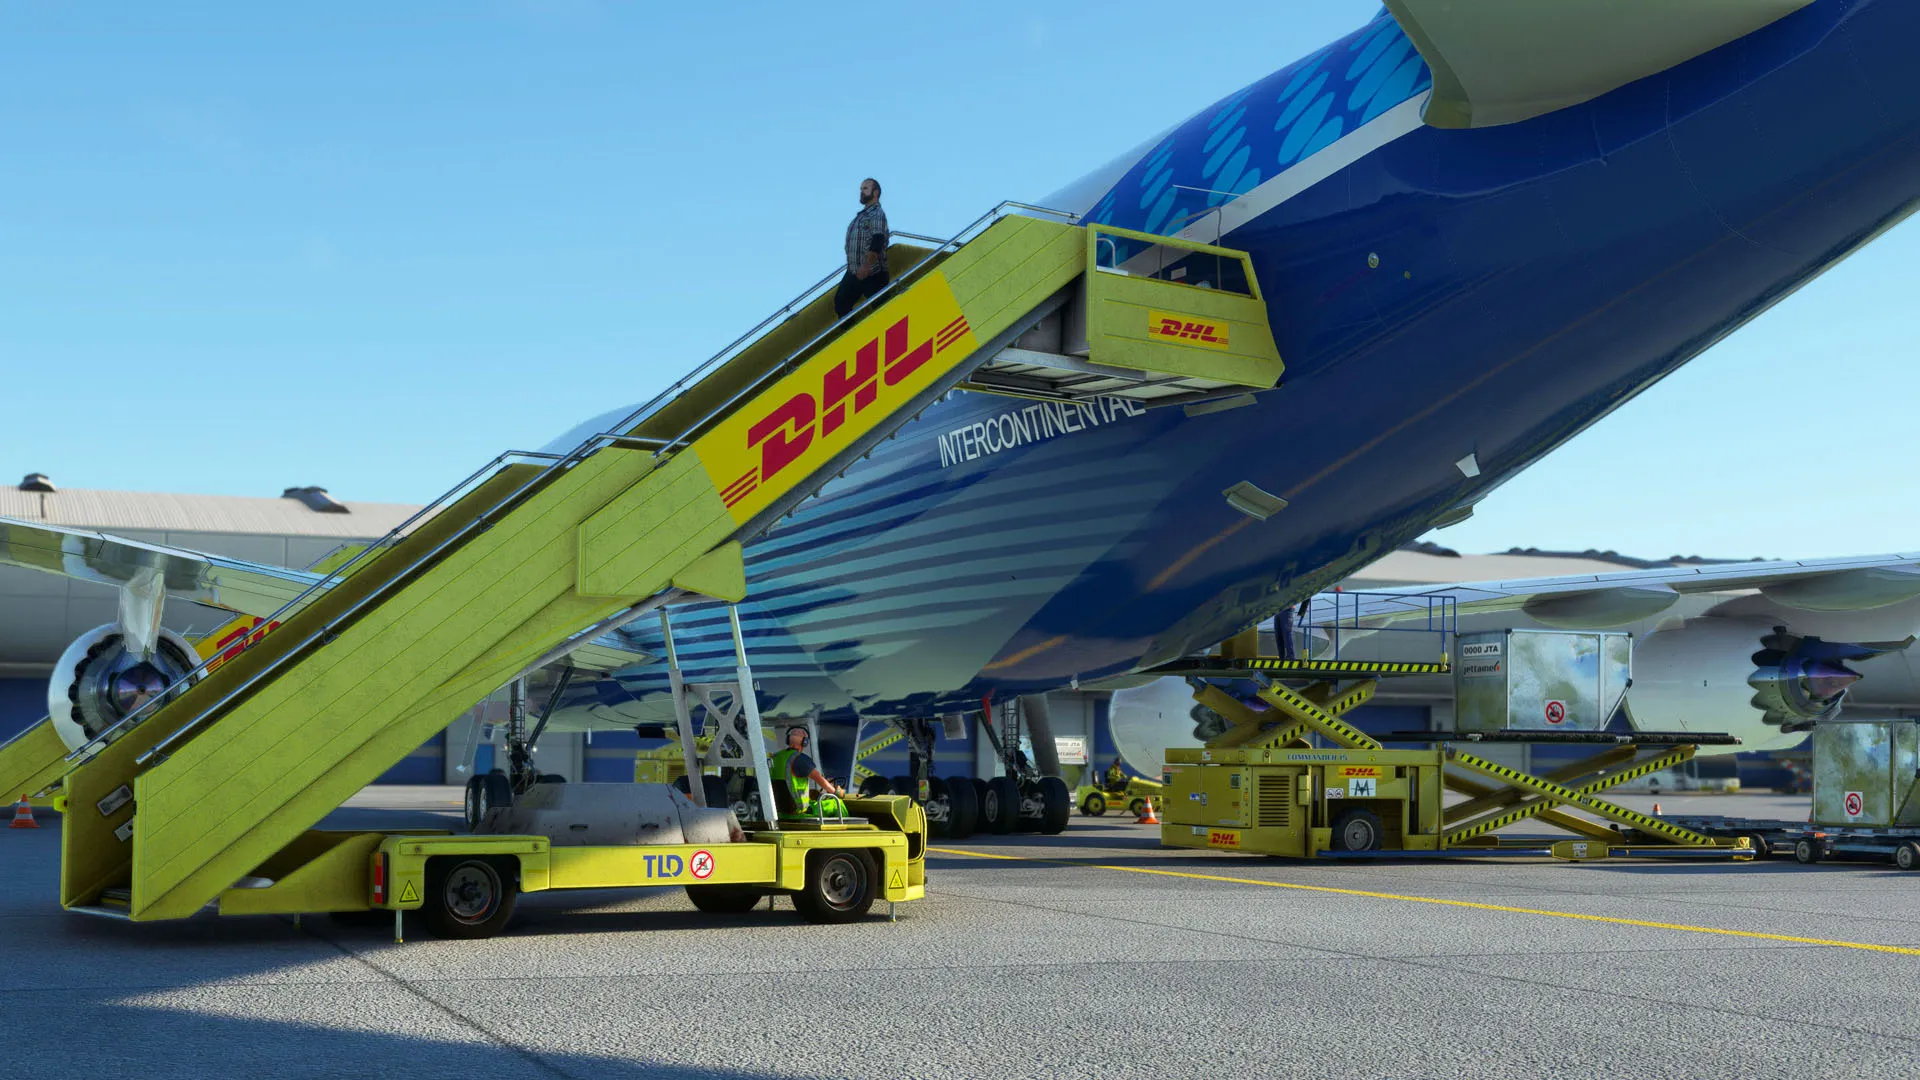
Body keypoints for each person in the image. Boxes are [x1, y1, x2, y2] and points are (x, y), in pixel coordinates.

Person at [833, 178, 890, 317]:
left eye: (865, 188)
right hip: (854, 271)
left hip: (872, 272)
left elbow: (878, 240)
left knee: (880, 305)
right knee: (841, 302)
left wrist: (867, 265)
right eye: (861, 189)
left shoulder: (877, 213)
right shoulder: (861, 215)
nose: (861, 192)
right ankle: (849, 328)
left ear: (875, 192)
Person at [770, 725, 848, 817]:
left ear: (788, 740)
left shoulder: (775, 758)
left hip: (779, 813)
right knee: (837, 803)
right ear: (804, 742)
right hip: (799, 812)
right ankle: (849, 825)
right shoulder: (800, 759)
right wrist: (836, 792)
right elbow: (821, 781)